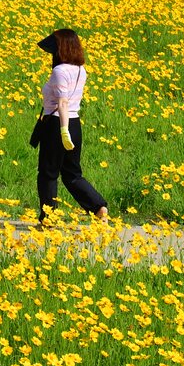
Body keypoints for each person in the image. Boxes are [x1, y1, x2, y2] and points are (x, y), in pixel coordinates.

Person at [31, 28, 108, 223]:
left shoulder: (59, 71)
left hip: (58, 124)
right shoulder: (81, 70)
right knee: (72, 174)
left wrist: (63, 131)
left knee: (48, 173)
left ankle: (49, 218)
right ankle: (98, 207)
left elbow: (62, 102)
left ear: (61, 48)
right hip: (75, 123)